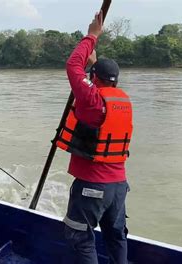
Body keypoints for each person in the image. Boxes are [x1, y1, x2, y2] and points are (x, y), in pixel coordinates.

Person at [60, 11, 133, 264]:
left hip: (93, 185)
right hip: (118, 185)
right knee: (116, 235)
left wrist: (92, 35)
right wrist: (95, 61)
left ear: (94, 78)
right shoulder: (121, 100)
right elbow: (97, 81)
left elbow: (72, 66)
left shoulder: (91, 100)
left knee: (79, 236)